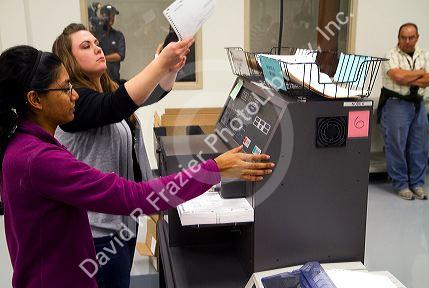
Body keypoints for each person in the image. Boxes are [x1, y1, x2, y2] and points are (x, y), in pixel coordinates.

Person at [0, 45, 274, 288]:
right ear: (35, 99)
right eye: (65, 88)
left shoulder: (25, 145)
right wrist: (214, 169)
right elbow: (134, 197)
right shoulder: (39, 160)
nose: (74, 96)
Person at [51, 23, 195, 287]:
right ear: (68, 60)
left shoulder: (106, 90)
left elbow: (148, 92)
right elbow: (116, 105)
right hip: (95, 234)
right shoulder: (72, 102)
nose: (97, 48)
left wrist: (169, 68)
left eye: (96, 43)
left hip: (122, 224)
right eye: (86, 46)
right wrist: (160, 63)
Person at [378, 23, 429, 200]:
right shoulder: (390, 55)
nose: (407, 41)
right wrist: (419, 73)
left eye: (411, 37)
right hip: (396, 103)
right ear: (398, 37)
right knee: (397, 146)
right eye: (403, 37)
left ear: (417, 37)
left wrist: (409, 76)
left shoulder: (425, 55)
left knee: (420, 146)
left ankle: (417, 183)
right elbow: (398, 77)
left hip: (418, 103)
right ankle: (401, 184)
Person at [94, 4, 125, 83]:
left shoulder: (118, 35)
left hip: (114, 79)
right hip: (98, 80)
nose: (112, 18)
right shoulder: (94, 34)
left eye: (113, 16)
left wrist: (102, 58)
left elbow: (120, 55)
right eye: (110, 15)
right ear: (102, 16)